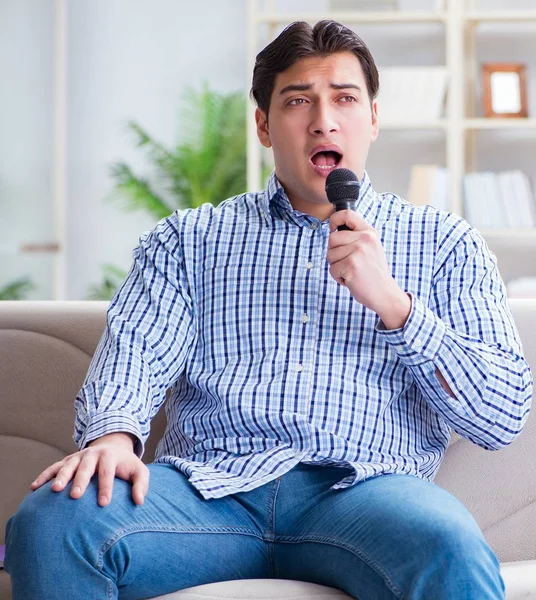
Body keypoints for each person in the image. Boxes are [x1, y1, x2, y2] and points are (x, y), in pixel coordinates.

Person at [5, 19, 532, 600]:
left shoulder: (446, 243)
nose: (324, 120)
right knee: (53, 522)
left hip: (366, 496)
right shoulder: (192, 237)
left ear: (374, 119)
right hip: (208, 493)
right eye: (298, 100)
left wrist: (396, 306)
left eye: (345, 99)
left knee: (448, 545)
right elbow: (136, 352)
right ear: (263, 123)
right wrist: (112, 436)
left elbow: (501, 415)